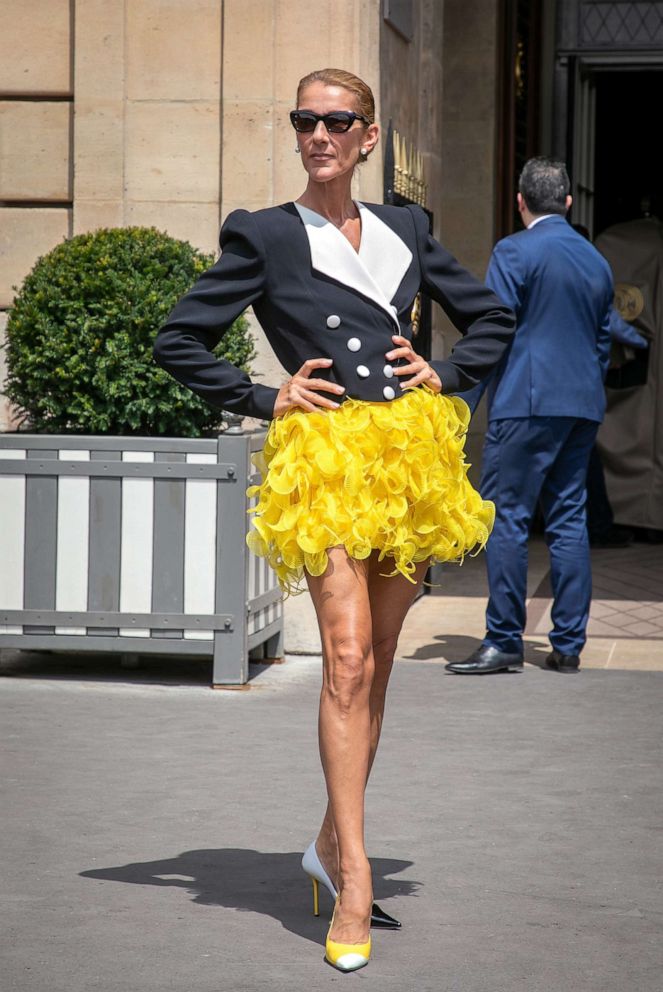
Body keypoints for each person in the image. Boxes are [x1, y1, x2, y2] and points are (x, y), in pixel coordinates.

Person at [153, 68, 515, 971]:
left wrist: (447, 367)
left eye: (336, 121)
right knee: (345, 656)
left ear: (365, 136)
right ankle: (354, 876)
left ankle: (323, 843)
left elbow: (491, 317)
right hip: (323, 463)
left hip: (405, 463)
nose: (317, 134)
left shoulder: (407, 228)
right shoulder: (266, 233)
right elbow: (177, 338)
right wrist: (265, 395)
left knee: (379, 661)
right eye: (304, 120)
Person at [446, 158, 613, 678]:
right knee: (568, 519)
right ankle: (567, 646)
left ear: (521, 202)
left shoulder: (513, 250)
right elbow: (604, 339)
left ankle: (503, 641)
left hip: (526, 402)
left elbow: (494, 329)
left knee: (509, 520)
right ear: (567, 202)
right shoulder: (595, 261)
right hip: (581, 404)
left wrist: (462, 399)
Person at [571, 224, 649, 548]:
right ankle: (599, 528)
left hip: (537, 391)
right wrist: (645, 342)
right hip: (582, 390)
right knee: (585, 463)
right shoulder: (592, 279)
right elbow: (616, 327)